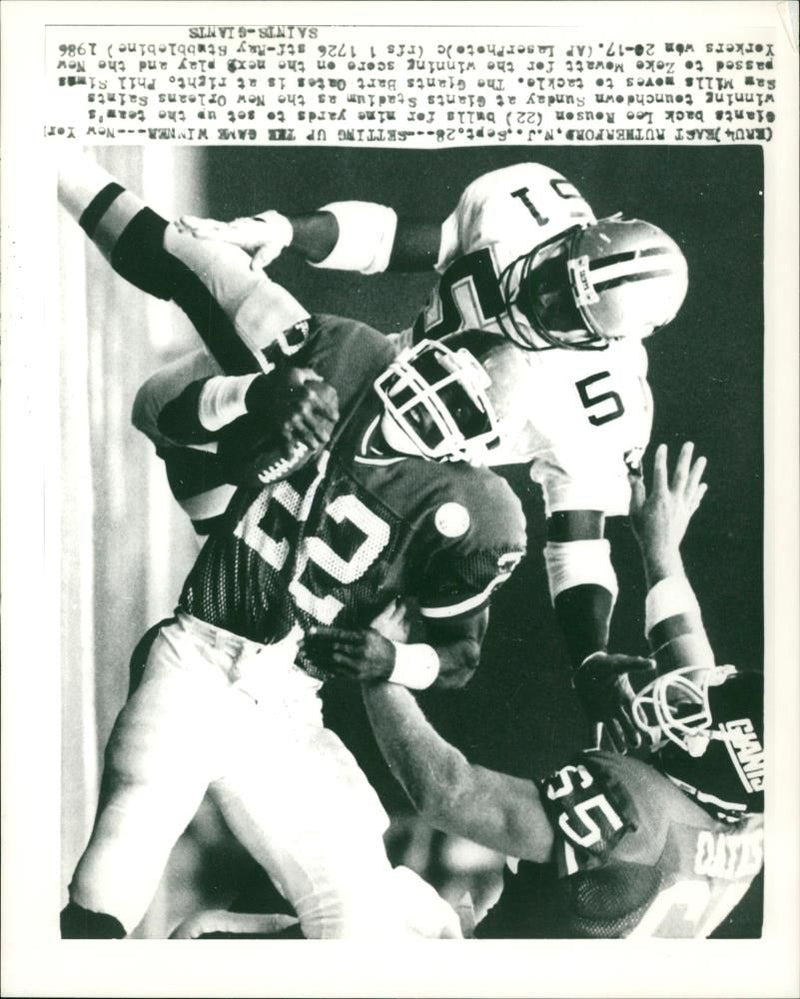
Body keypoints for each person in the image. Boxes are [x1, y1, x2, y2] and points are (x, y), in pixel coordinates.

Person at [58, 158, 535, 940]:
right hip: (206, 639)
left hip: (287, 699)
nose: (430, 402)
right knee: (139, 814)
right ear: (418, 347)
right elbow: (159, 411)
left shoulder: (477, 513)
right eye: (442, 375)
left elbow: (459, 654)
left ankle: (227, 940)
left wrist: (393, 664)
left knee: (357, 924)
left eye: (458, 409)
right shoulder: (341, 356)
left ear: (479, 450)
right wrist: (253, 395)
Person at [169, 442, 764, 939]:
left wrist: (386, 671)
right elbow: (698, 667)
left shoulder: (635, 818)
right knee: (387, 899)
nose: (678, 700)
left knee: (206, 939)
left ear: (721, 758)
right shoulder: (750, 819)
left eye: (693, 717)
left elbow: (447, 793)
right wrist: (661, 549)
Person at [179, 161, 691, 724]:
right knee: (187, 380)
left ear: (608, 339)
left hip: (411, 483)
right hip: (368, 377)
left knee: (257, 567)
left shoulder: (605, 407)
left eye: (567, 313)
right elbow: (394, 239)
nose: (541, 299)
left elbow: (578, 548)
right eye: (553, 273)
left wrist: (588, 652)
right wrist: (284, 230)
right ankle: (216, 528)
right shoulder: (529, 209)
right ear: (576, 236)